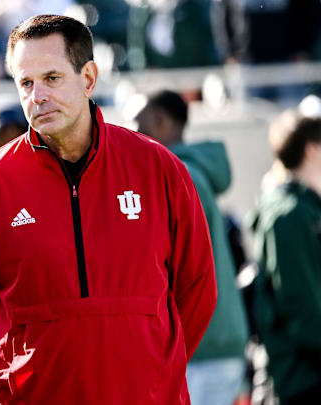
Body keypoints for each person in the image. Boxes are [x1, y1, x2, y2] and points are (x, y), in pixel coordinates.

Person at [0, 15, 217, 404]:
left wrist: (155, 368)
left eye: (52, 78)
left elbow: (198, 287)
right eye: (26, 83)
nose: (37, 95)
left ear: (88, 78)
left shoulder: (158, 168)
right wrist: (14, 382)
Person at [136, 90, 249, 405]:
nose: (131, 134)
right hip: (213, 343)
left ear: (160, 121)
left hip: (201, 346)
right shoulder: (189, 173)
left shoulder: (179, 176)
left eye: (137, 123)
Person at [249, 113, 321, 405]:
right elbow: (300, 307)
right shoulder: (289, 214)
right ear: (311, 149)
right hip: (302, 379)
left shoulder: (305, 207)